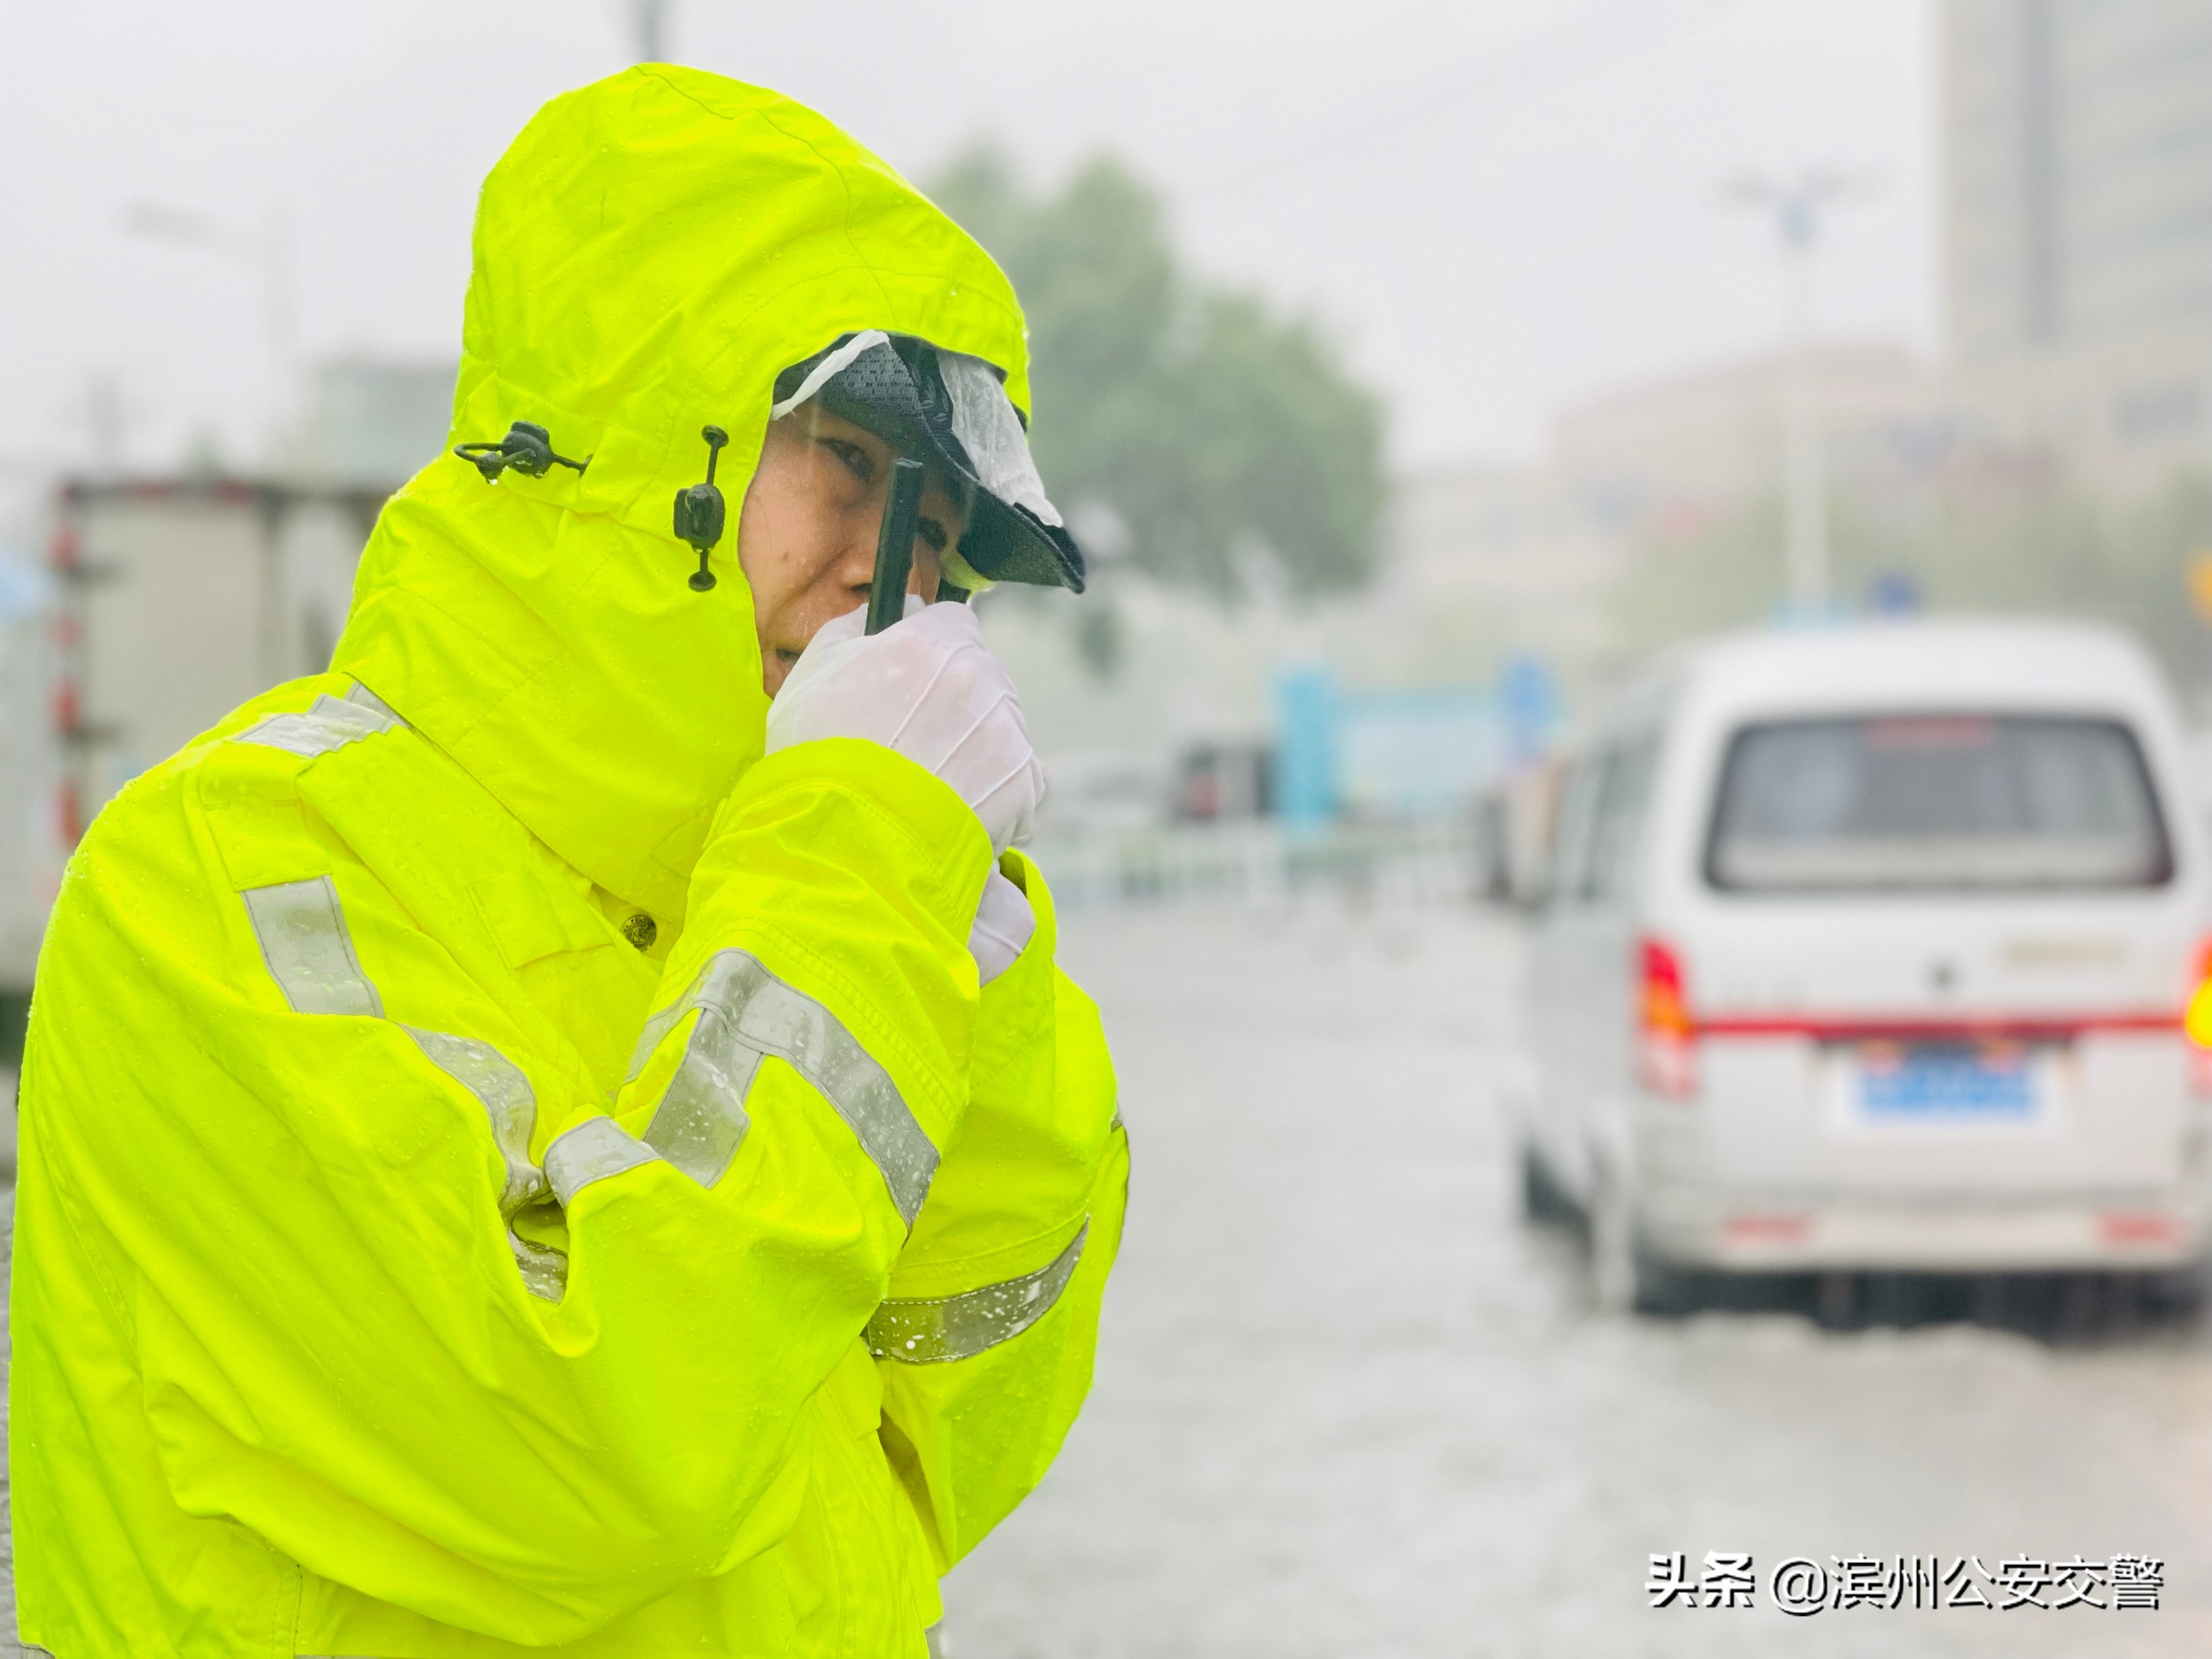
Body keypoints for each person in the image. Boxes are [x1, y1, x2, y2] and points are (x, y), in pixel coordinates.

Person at [12, 64, 1127, 1659]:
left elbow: (974, 1400)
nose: (898, 581)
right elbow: (601, 1436)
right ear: (641, 458)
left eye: (939, 528)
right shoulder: (221, 871)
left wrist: (955, 906)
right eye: (851, 474)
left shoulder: (786, 891)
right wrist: (862, 851)